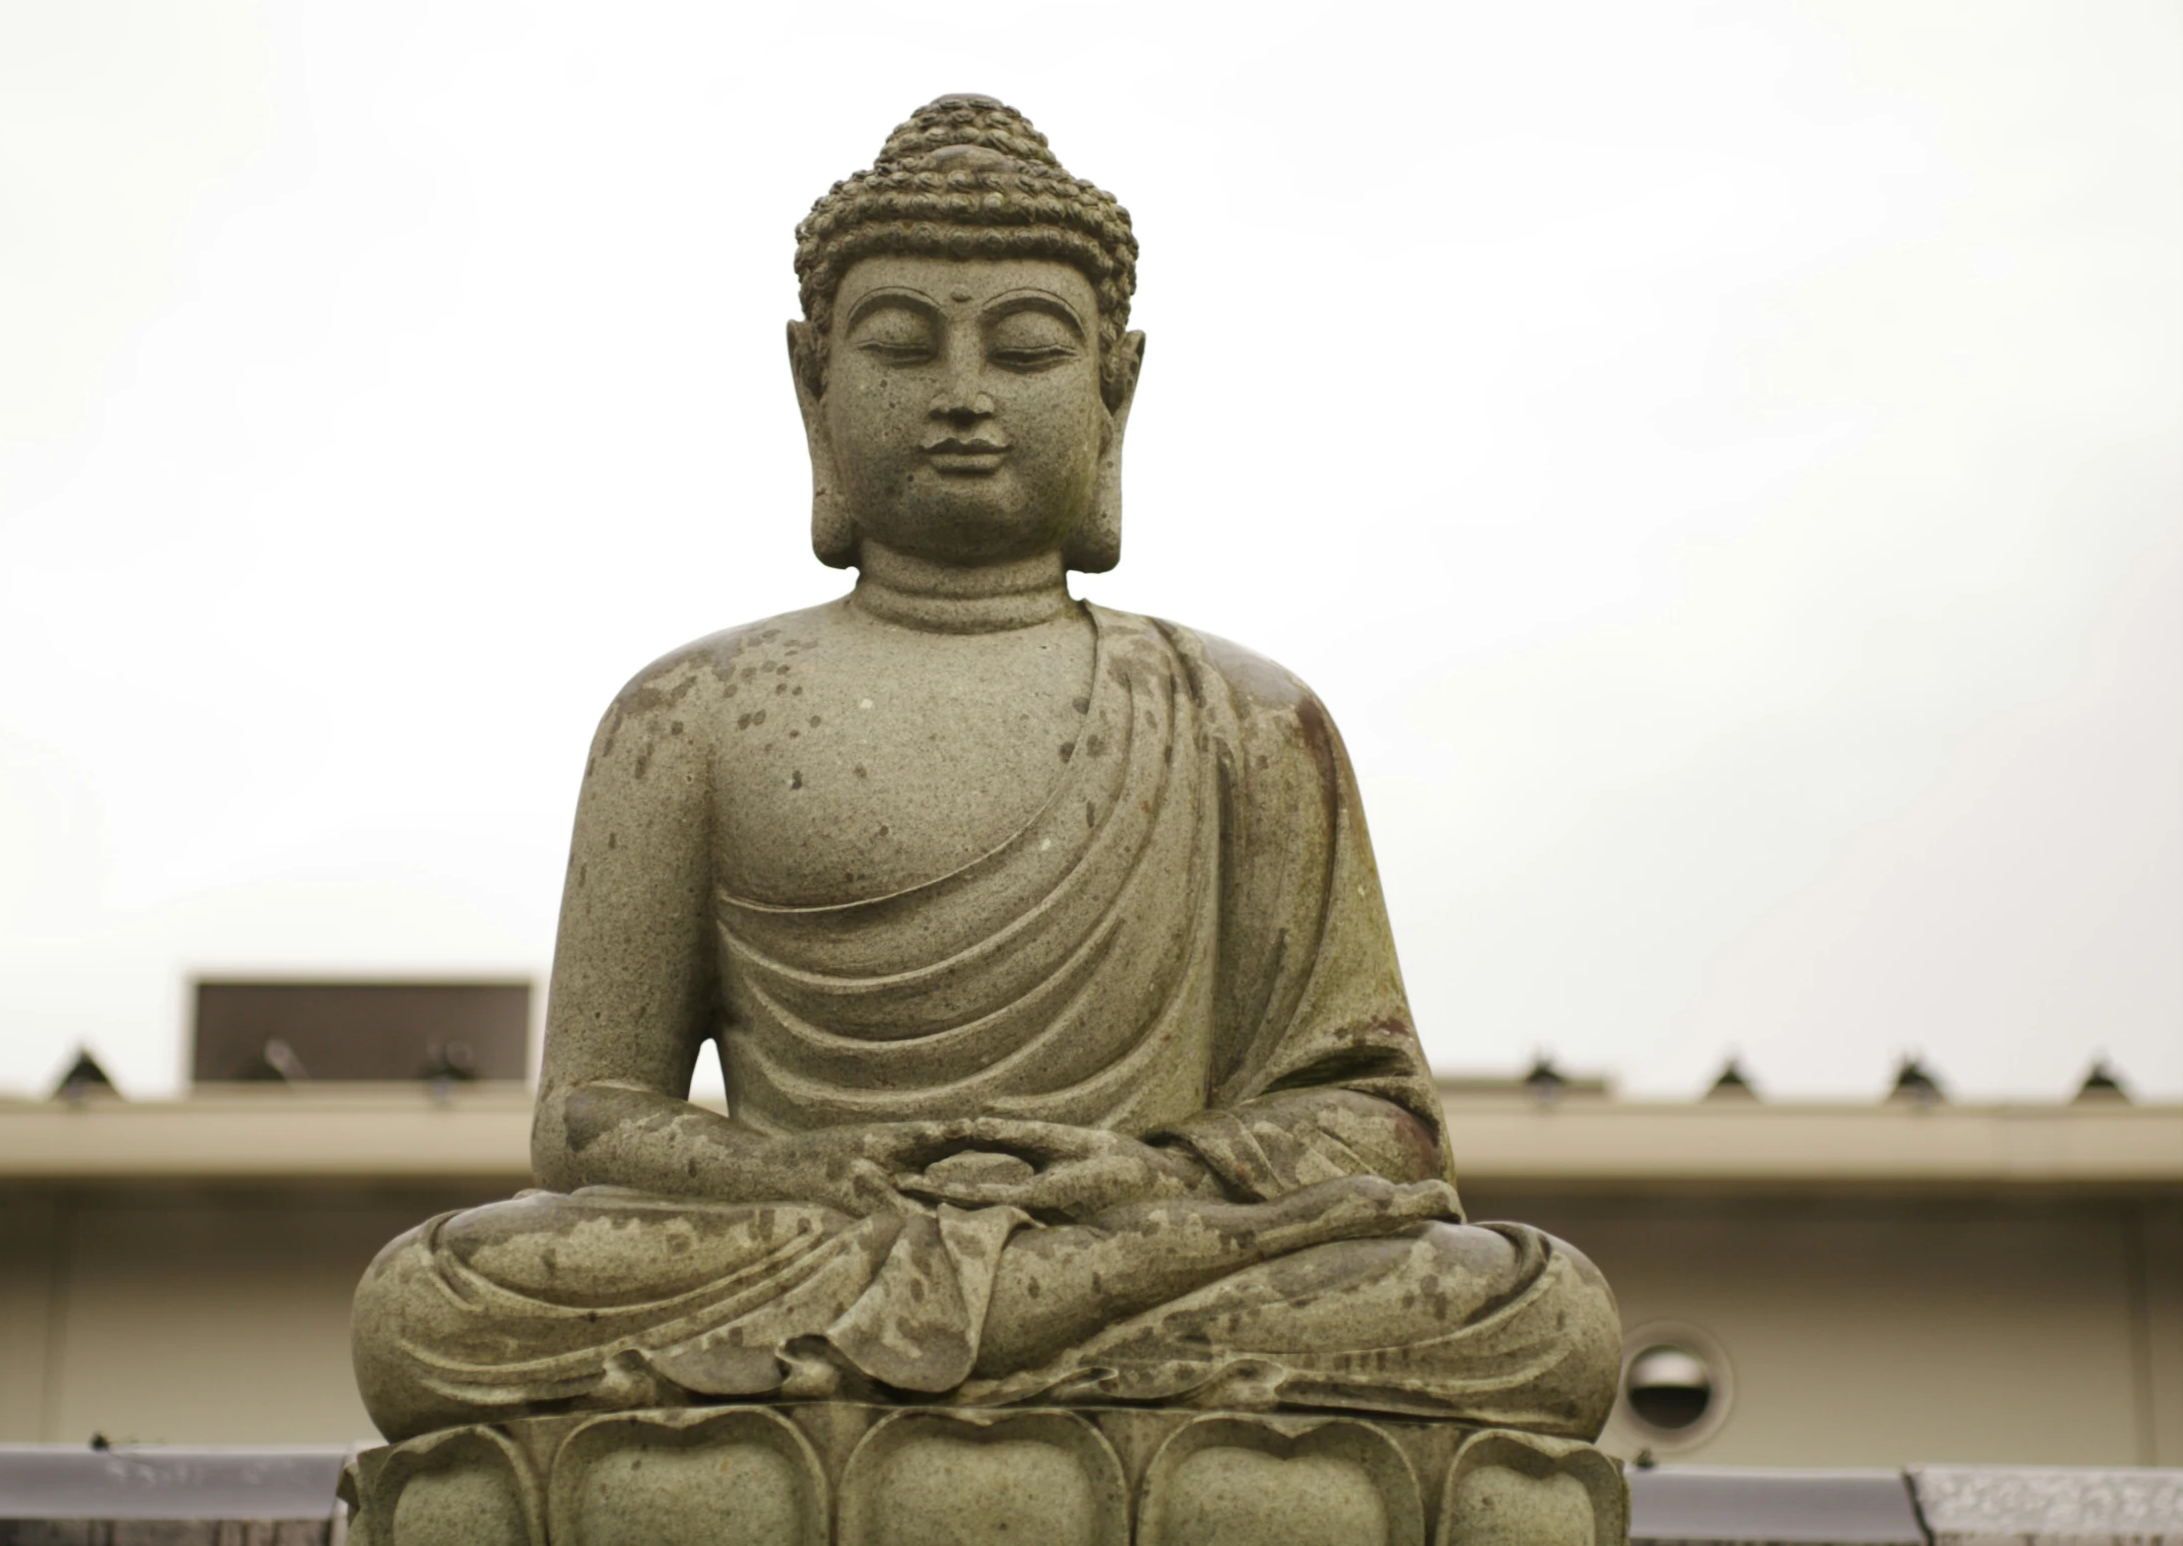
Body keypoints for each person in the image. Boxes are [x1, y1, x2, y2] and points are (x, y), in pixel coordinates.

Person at [352, 95, 1619, 1446]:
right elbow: (592, 1121)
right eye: (902, 346)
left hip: (1141, 1255)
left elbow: (1375, 1126)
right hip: (809, 1245)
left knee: (1530, 1307)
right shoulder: (689, 713)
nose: (962, 394)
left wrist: (1140, 1174)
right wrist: (812, 1171)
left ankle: (916, 1388)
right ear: (812, 386)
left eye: (1023, 349)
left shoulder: (1243, 718)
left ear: (1113, 388)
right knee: (437, 1298)